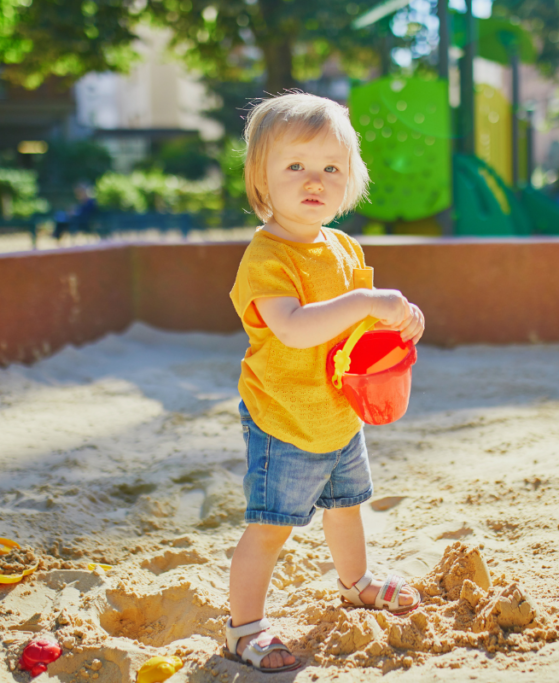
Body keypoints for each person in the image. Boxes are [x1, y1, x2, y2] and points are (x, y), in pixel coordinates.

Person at [225, 93, 426, 673]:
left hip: (338, 414)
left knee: (347, 507)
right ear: (260, 178)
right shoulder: (266, 259)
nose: (315, 180)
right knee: (270, 529)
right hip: (284, 420)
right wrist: (368, 300)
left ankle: (355, 581)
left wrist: (399, 319)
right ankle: (244, 627)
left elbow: (357, 325)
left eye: (332, 168)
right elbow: (292, 328)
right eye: (295, 166)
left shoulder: (342, 247)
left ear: (351, 180)